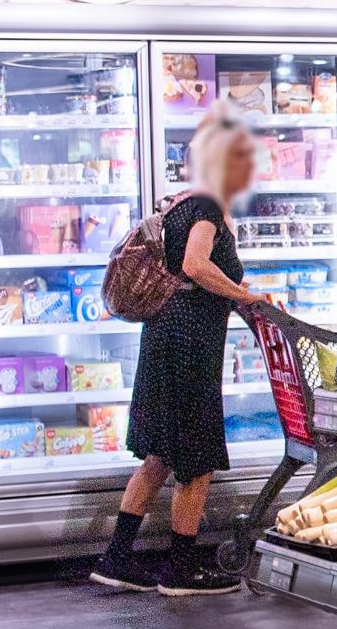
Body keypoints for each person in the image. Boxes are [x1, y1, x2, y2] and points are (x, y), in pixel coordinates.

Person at [92, 114, 267, 595]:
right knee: (196, 456)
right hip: (189, 345)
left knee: (160, 455)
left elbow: (194, 273)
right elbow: (195, 264)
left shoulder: (181, 204)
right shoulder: (206, 205)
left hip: (166, 337)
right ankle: (182, 568)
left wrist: (241, 295)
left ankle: (116, 559)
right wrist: (245, 296)